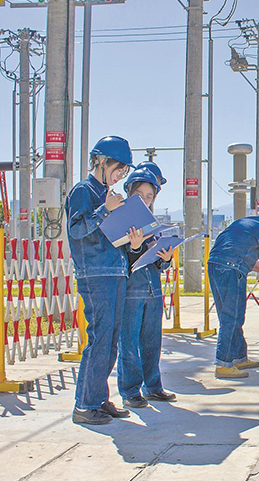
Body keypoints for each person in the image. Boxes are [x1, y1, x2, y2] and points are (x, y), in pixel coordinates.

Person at [66, 135, 135, 425]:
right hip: (96, 274)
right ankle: (84, 405)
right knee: (100, 339)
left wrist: (133, 241)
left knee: (110, 341)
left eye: (125, 171)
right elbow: (77, 230)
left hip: (115, 271)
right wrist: (106, 208)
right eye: (119, 168)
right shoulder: (84, 191)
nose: (121, 175)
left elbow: (111, 236)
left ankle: (97, 398)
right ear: (101, 161)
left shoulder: (110, 195)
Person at [118, 168, 177, 408]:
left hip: (153, 290)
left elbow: (159, 264)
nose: (145, 200)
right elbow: (121, 260)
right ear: (129, 193)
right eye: (140, 194)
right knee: (130, 344)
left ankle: (153, 387)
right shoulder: (119, 222)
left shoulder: (154, 226)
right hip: (132, 292)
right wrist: (134, 247)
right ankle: (130, 391)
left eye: (149, 196)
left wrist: (166, 256)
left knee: (152, 343)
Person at [208, 201, 259, 378]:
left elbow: (246, 258)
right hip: (231, 270)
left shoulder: (242, 223)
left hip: (215, 266)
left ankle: (239, 357)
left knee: (231, 315)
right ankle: (223, 364)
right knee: (232, 317)